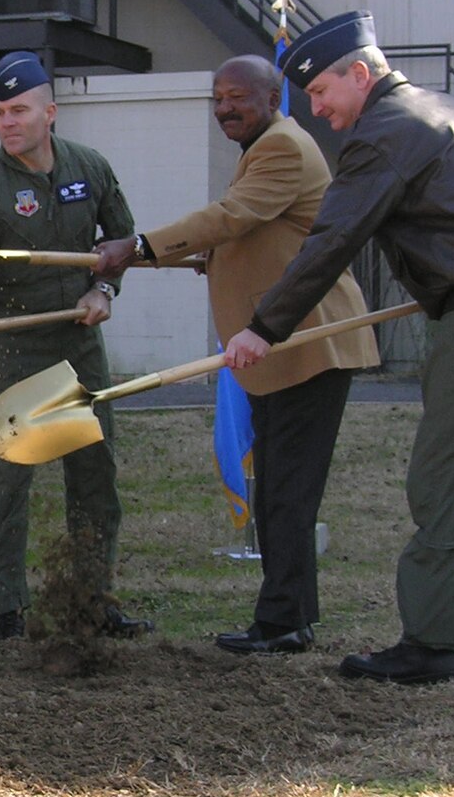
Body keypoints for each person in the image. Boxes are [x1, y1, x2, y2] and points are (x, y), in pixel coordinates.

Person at [224, 11, 454, 685]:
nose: (316, 109)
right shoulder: (447, 110)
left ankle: (431, 642)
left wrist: (262, 327)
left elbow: (331, 241)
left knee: (452, 470)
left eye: (321, 92)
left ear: (360, 73)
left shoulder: (384, 134)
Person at [94, 56, 379, 654]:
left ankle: (281, 622)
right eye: (216, 97)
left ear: (273, 97)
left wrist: (139, 246)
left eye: (237, 97)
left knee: (286, 489)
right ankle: (291, 615)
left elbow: (231, 217)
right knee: (280, 484)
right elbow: (248, 234)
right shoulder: (266, 146)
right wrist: (183, 258)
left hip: (310, 343)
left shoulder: (282, 148)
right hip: (287, 347)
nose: (224, 107)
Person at [0, 51, 147, 642]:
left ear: (50, 112)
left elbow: (120, 239)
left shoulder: (89, 166)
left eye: (18, 110)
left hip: (79, 343)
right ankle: (8, 611)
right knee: (10, 480)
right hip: (14, 345)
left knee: (95, 474)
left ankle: (93, 599)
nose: (6, 122)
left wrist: (104, 288)